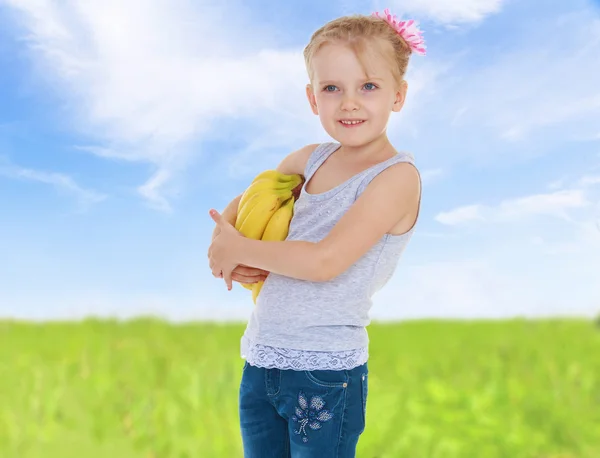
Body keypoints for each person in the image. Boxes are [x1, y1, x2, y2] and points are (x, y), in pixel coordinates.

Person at [208, 8, 425, 458]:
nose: (349, 102)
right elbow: (254, 195)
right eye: (332, 88)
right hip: (263, 357)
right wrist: (224, 242)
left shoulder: (395, 178)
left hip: (325, 372)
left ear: (398, 95)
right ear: (312, 99)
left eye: (368, 86)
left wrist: (246, 247)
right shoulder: (310, 159)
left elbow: (326, 262)